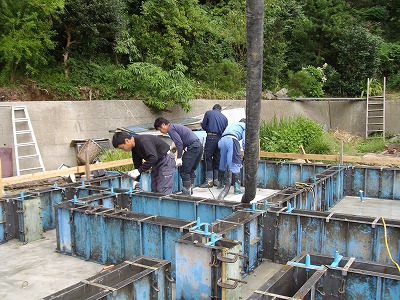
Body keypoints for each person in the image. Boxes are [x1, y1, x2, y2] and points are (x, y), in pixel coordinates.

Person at [154, 117, 203, 196]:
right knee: (190, 170)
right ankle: (190, 190)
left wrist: (179, 158)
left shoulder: (171, 129)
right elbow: (180, 143)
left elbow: (179, 143)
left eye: (160, 129)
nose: (161, 131)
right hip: (198, 146)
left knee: (184, 170)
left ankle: (186, 192)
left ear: (163, 125)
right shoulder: (175, 126)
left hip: (192, 147)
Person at [200, 104, 228, 188]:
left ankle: (209, 181)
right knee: (217, 159)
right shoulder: (224, 117)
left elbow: (204, 125)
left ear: (213, 108)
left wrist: (209, 129)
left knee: (207, 157)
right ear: (220, 109)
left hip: (211, 137)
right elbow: (225, 129)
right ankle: (217, 181)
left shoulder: (209, 113)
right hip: (221, 138)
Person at [217, 118, 246, 198]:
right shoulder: (245, 126)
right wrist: (245, 150)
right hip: (231, 140)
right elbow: (245, 140)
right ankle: (237, 188)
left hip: (222, 141)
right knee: (234, 163)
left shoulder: (232, 125)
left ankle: (219, 184)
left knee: (222, 162)